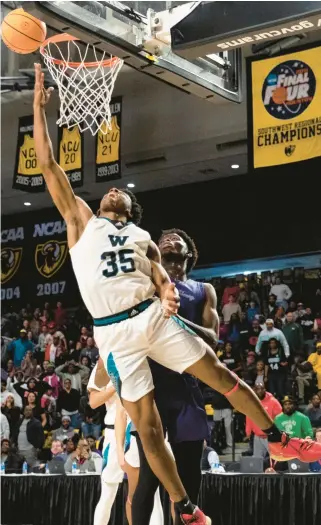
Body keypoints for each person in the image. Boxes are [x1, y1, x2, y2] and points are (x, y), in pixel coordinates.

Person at [33, 63, 321, 524]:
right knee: (147, 430)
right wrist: (37, 107)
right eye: (110, 191)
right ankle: (186, 509)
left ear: (128, 209)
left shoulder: (143, 236)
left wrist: (166, 293)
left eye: (120, 193)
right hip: (116, 336)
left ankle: (278, 438)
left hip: (150, 317)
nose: (113, 190)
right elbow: (47, 164)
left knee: (223, 376)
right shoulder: (81, 221)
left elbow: (159, 275)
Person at [132, 229, 214, 525]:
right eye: (162, 240)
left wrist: (177, 319)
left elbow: (213, 338)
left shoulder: (203, 290)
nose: (167, 239)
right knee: (149, 479)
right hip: (149, 390)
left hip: (186, 390)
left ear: (186, 256)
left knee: (189, 482)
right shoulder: (143, 286)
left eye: (174, 241)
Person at [245, 384, 282, 458]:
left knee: (276, 458)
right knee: (257, 459)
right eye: (257, 389)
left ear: (265, 389)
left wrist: (277, 431)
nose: (260, 391)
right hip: (257, 436)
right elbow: (249, 417)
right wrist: (248, 431)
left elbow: (280, 417)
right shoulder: (251, 402)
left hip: (270, 436)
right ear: (254, 391)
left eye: (261, 389)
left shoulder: (273, 401)